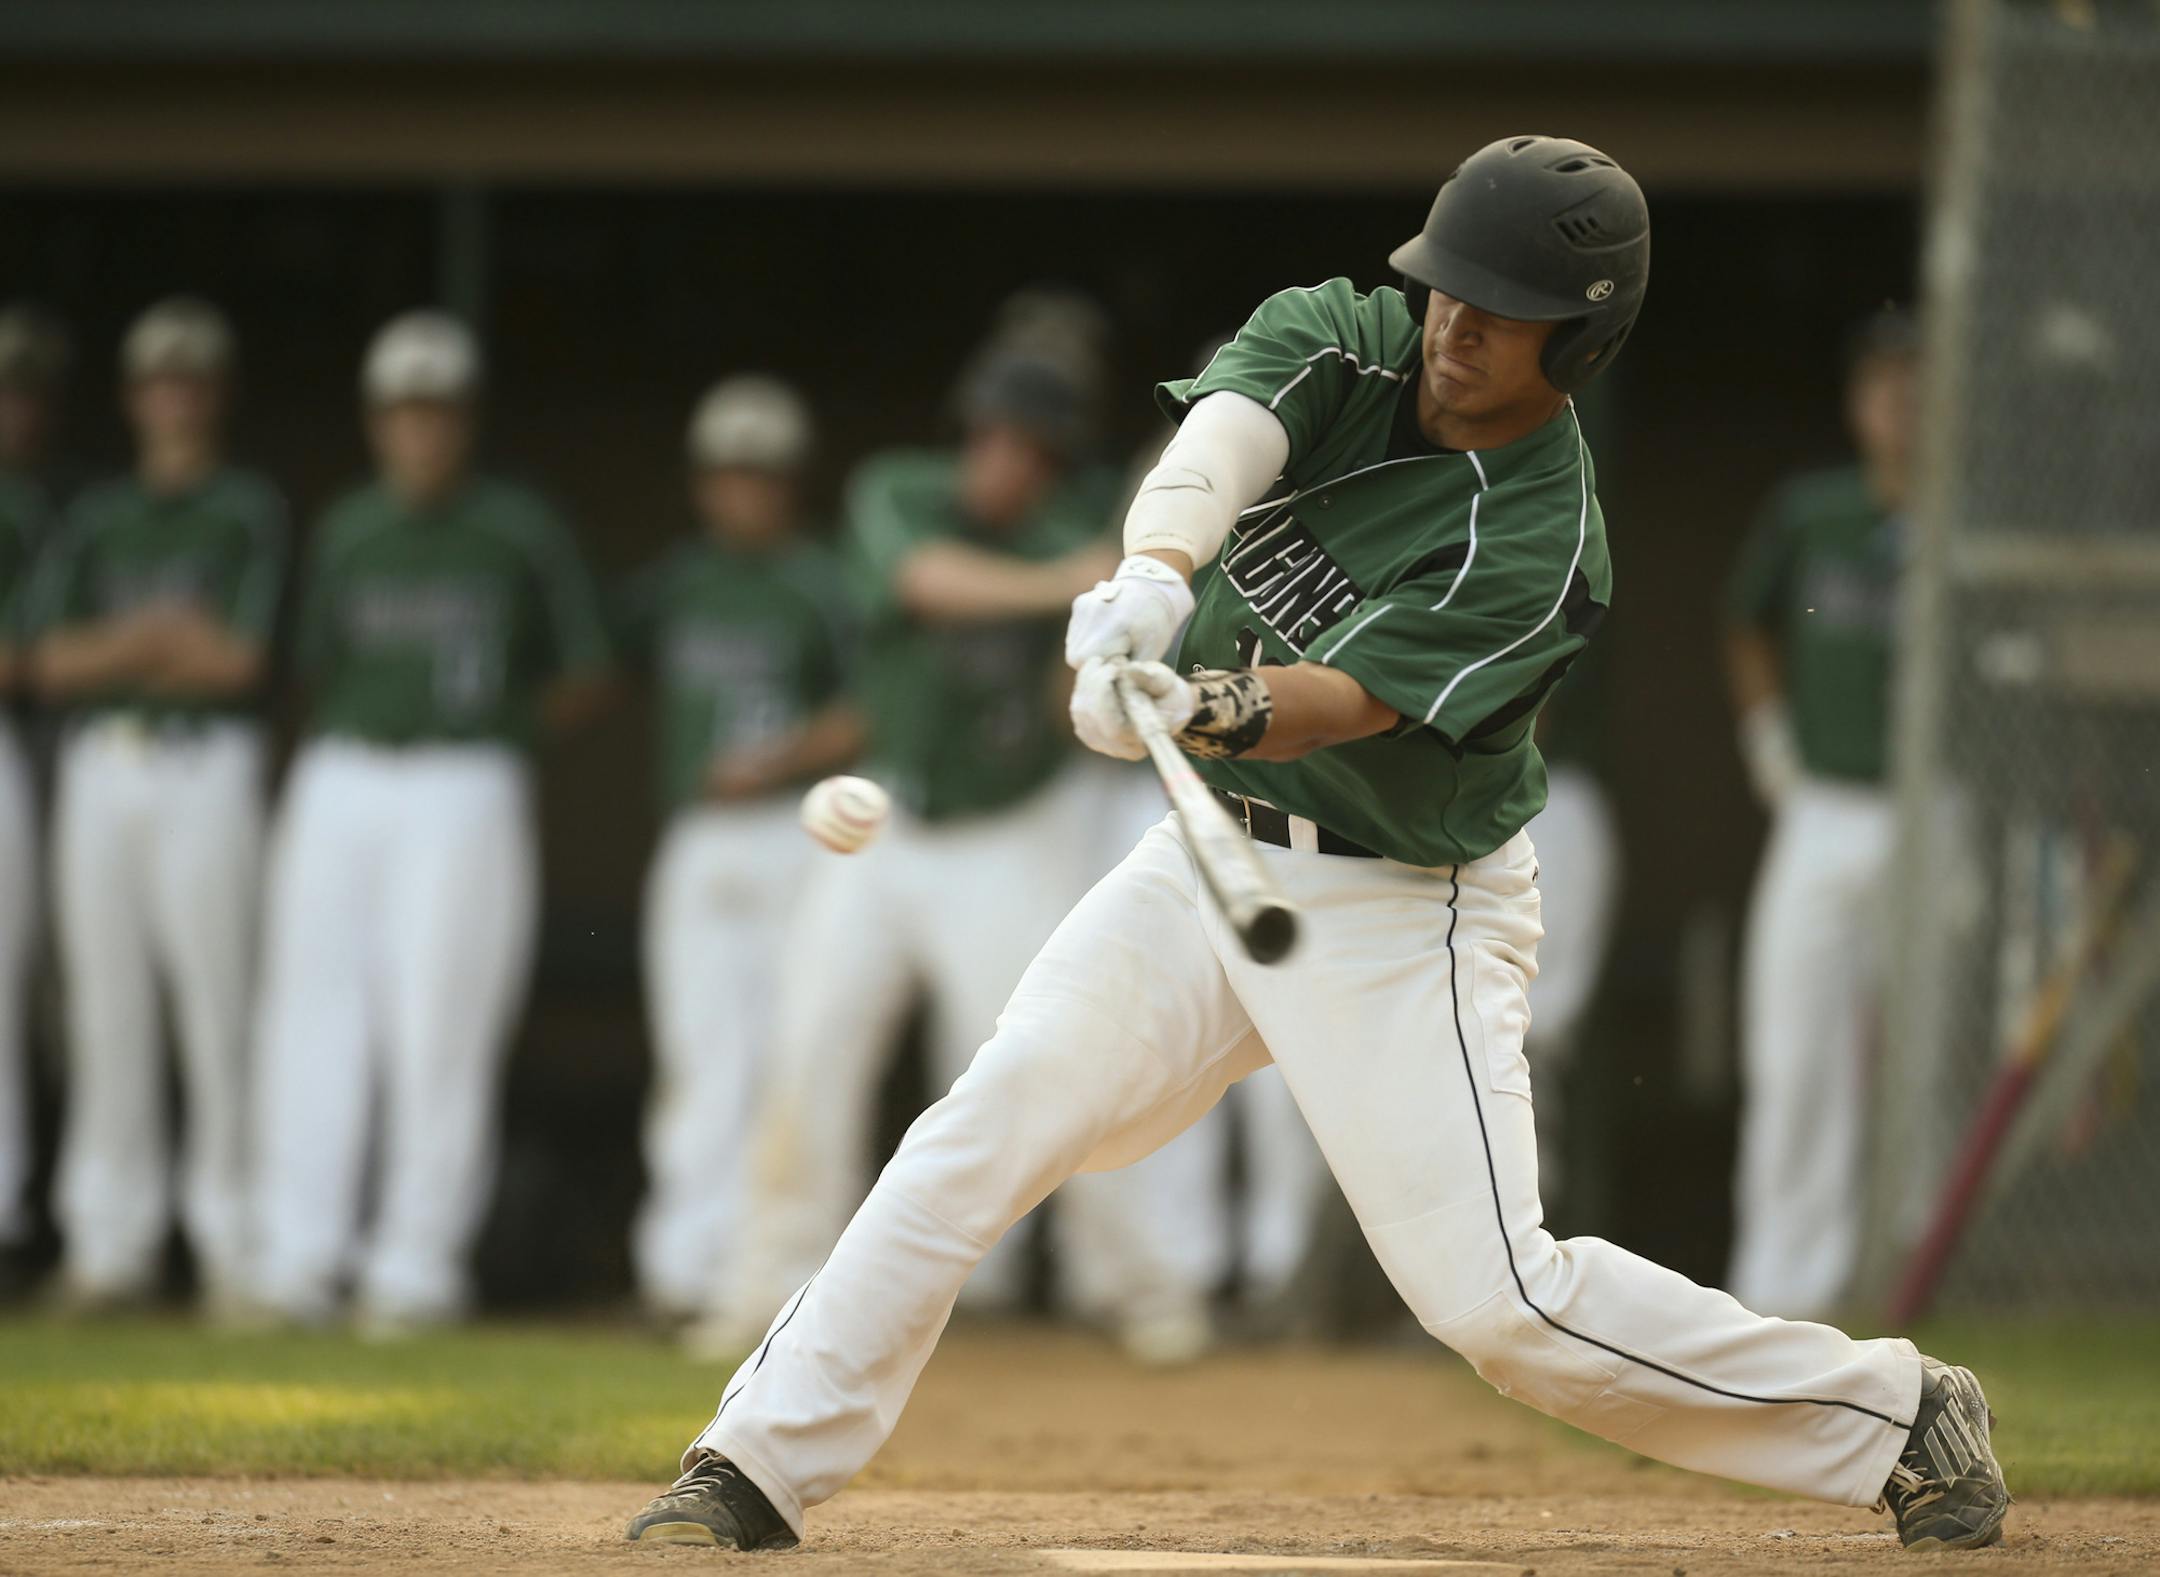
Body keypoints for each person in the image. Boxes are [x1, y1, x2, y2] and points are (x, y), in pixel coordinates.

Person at [627, 138, 2007, 1556]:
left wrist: (1198, 699)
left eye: (1500, 310)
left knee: (1501, 1307)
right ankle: (750, 1467)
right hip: (1213, 861)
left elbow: (1339, 704)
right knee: (988, 1118)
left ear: (1582, 339)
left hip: (1406, 907)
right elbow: (1224, 438)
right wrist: (1151, 580)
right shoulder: (1352, 336)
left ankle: (1898, 1418)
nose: (1454, 328)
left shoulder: (1540, 536)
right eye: (1447, 291)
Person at [701, 336, 1117, 1351]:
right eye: (993, 440)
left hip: (1011, 828)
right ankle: (768, 1287)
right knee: (812, 1045)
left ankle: (1131, 1286)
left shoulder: (1070, 530)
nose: (1007, 464)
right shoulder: (900, 491)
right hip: (887, 825)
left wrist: (1105, 610)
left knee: (1049, 1066)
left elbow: (1074, 707)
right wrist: (1066, 581)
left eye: (1032, 450)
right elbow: (924, 582)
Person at [248, 311, 612, 1332]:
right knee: (312, 1013)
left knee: (440, 1023)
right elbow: (312, 666)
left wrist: (497, 728)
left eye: (438, 410)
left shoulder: (518, 526)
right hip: (345, 771)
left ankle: (413, 1267)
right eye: (404, 410)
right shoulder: (347, 526)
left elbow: (587, 669)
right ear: (378, 420)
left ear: (465, 419)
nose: (421, 430)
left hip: (463, 780)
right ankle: (296, 1257)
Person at [23, 297, 287, 1312]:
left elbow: (238, 660)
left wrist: (121, 650)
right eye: (157, 379)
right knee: (104, 1007)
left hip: (204, 763)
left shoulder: (246, 505)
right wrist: (162, 632)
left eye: (192, 378)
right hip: (101, 765)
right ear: (134, 396)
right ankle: (110, 1243)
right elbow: (44, 661)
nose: (174, 396)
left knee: (217, 1005)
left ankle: (233, 1245)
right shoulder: (98, 516)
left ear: (216, 392)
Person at [619, 376, 858, 1325]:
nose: (743, 490)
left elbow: (868, 704)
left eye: (760, 473)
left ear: (790, 481)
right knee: (697, 1054)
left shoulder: (821, 578)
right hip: (696, 833)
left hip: (796, 830)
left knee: (789, 1052)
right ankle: (683, 1267)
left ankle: (780, 1274)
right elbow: (602, 660)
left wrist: (782, 756)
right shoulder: (678, 579)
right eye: (727, 472)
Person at [1723, 310, 1919, 1320]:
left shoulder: (1975, 516)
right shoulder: (1816, 510)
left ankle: (1913, 1274)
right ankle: (1783, 1289)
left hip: (1942, 811)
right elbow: (1744, 621)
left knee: (1927, 1050)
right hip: (1828, 804)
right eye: (1890, 386)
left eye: (1925, 386)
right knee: (1797, 1046)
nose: (1907, 407)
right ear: (1859, 402)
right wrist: (1772, 744)